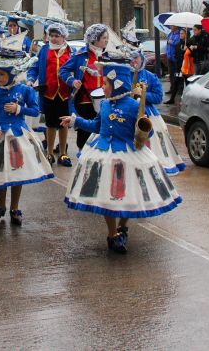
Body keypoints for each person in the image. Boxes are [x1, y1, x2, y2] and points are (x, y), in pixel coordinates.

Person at [61, 52, 181, 253]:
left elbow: (146, 132)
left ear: (117, 84)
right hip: (105, 154)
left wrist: (144, 129)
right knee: (108, 197)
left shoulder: (134, 105)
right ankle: (112, 233)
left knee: (128, 195)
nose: (102, 88)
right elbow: (96, 126)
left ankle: (123, 226)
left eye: (106, 84)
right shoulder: (105, 104)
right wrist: (75, 121)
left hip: (128, 155)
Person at [0, 34, 54, 226]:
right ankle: (0, 206)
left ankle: (14, 207)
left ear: (12, 74)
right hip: (0, 137)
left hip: (19, 136)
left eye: (2, 75)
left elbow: (35, 110)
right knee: (1, 173)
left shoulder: (25, 90)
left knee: (17, 173)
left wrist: (19, 109)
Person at [130, 52, 186, 175]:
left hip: (147, 112)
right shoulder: (124, 75)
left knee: (155, 135)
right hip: (128, 110)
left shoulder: (150, 76)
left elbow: (158, 97)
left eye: (136, 58)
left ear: (141, 59)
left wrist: (143, 94)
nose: (133, 61)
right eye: (131, 59)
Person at [26, 22, 73, 167]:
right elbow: (34, 67)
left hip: (65, 94)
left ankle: (63, 152)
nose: (53, 39)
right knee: (50, 124)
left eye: (56, 36)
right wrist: (30, 79)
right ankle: (50, 153)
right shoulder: (44, 50)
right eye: (51, 35)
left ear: (63, 37)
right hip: (49, 93)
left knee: (64, 123)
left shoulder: (70, 51)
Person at [60, 24, 108, 154]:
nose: (106, 40)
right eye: (104, 38)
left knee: (103, 127)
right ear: (94, 39)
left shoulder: (108, 56)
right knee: (84, 129)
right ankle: (82, 153)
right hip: (85, 99)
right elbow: (63, 70)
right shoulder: (81, 55)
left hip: (105, 99)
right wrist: (72, 81)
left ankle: (99, 154)